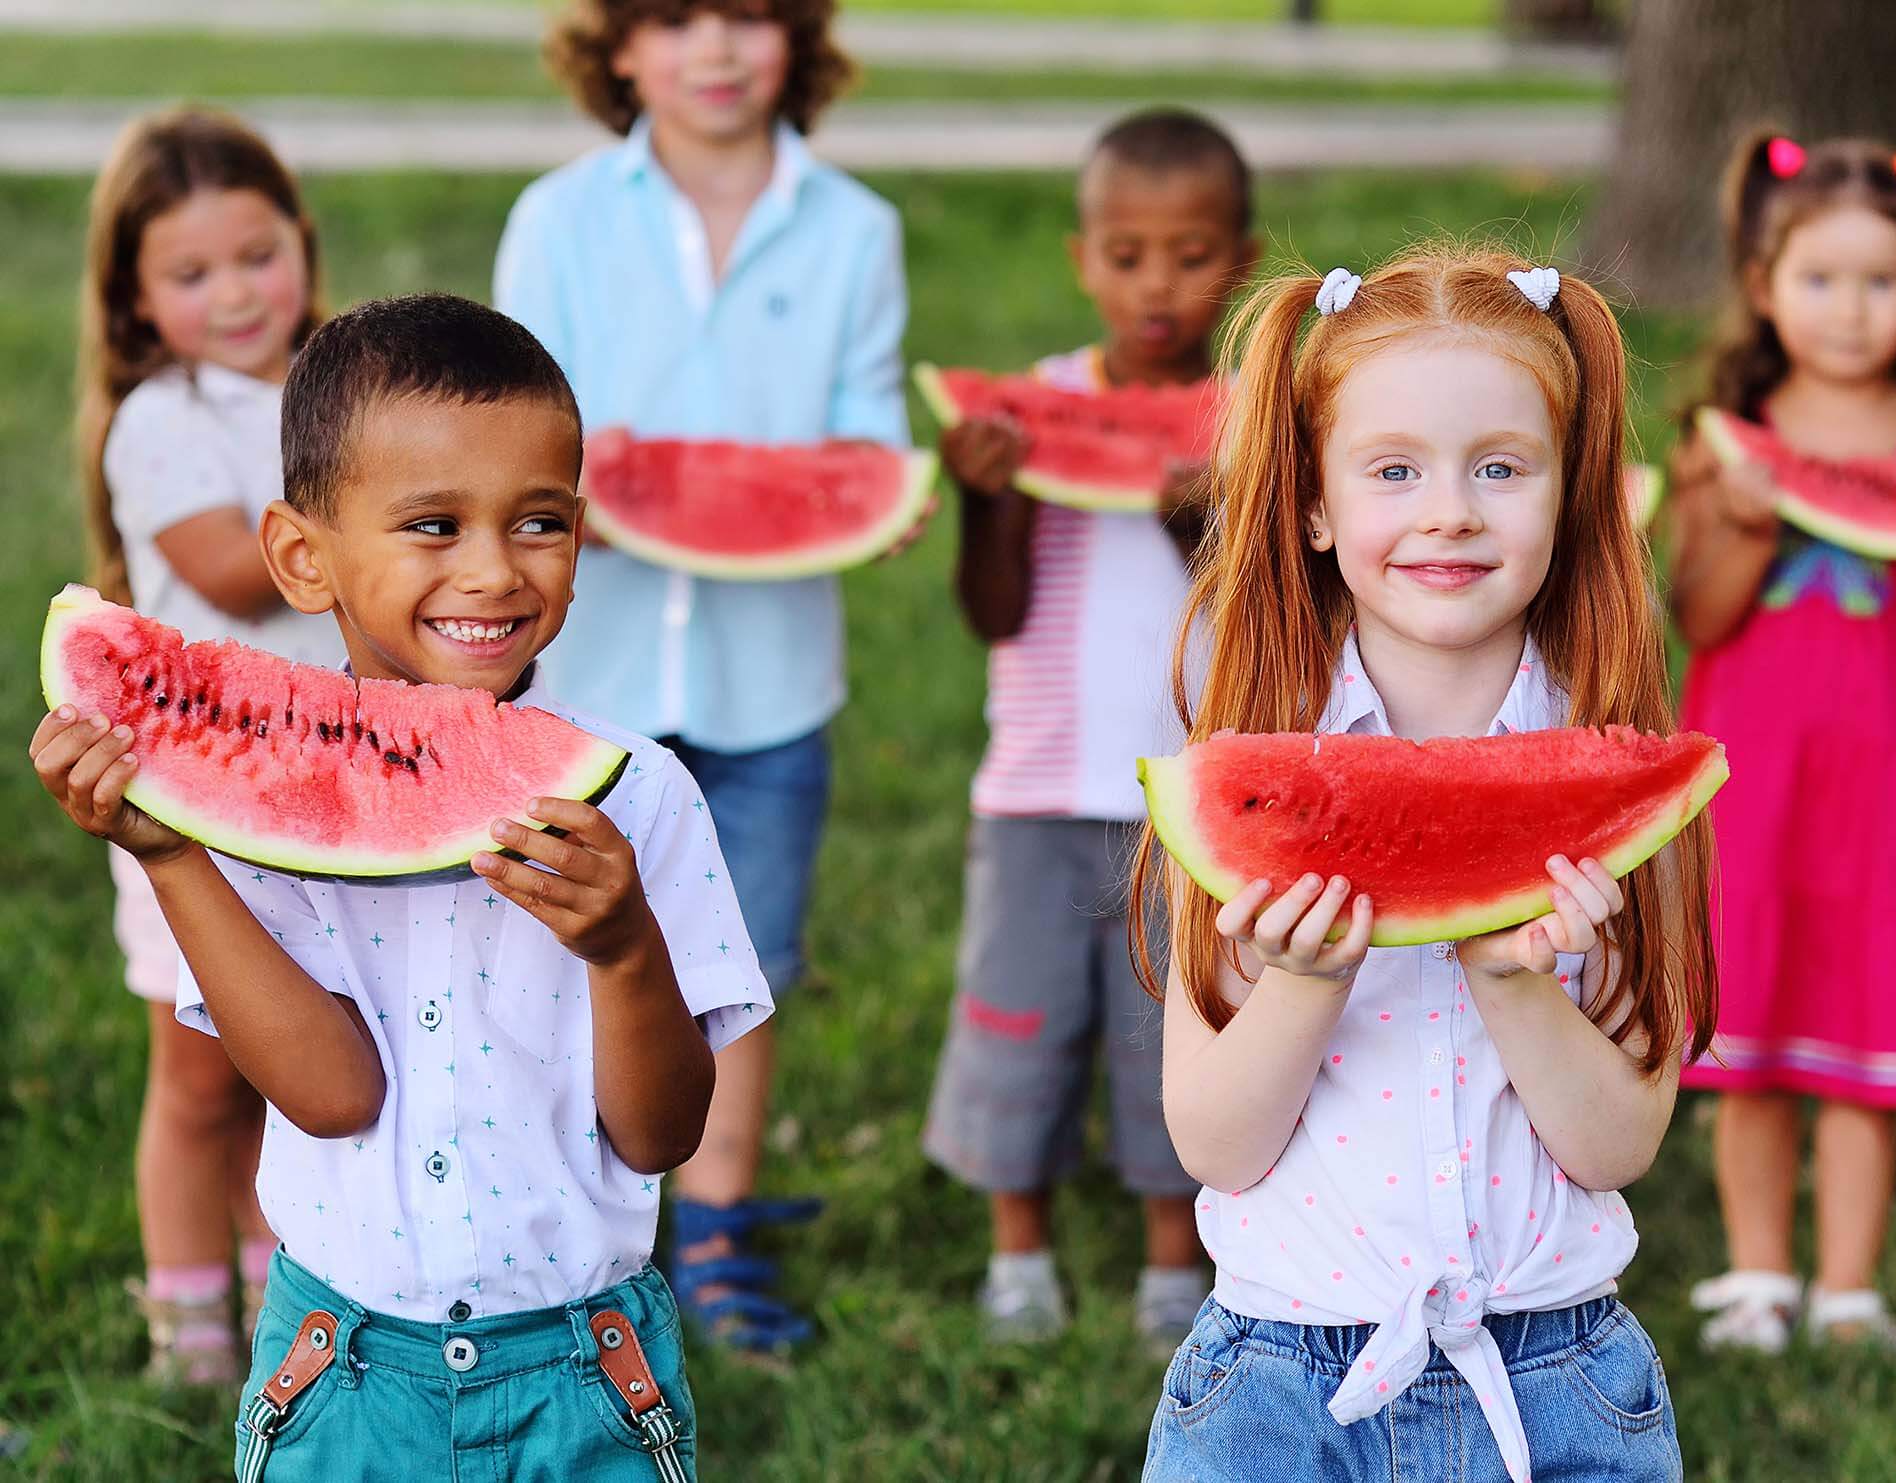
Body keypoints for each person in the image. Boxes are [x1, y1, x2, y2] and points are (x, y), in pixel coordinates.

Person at [32, 293, 771, 1480]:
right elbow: (328, 1094)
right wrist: (171, 851)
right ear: (301, 557)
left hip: (587, 1368)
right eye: (433, 525)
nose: (491, 569)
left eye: (538, 522)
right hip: (342, 1368)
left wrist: (627, 949)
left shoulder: (642, 798)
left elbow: (660, 1132)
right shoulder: (254, 805)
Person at [1134, 245, 1717, 1482]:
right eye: (1392, 469)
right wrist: (1300, 978)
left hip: (1557, 1378)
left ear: (1570, 495)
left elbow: (1616, 1147)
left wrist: (1513, 984)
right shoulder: (1241, 771)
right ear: (1312, 504)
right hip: (1277, 1387)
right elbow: (1214, 1143)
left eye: (1498, 469)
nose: (1447, 509)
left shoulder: (1619, 797)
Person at [495, 0, 906, 1351]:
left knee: (755, 953)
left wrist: (853, 491)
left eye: (748, 16)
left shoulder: (856, 228)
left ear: (798, 39)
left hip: (771, 680)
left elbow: (868, 437)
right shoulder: (556, 218)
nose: (715, 48)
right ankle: (565, 1201)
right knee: (559, 947)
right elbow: (513, 427)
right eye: (674, 19)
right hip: (582, 673)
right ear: (617, 49)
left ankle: (717, 1219)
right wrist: (559, 490)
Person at [922, 109, 1258, 1353]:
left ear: (1242, 259)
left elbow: (1261, 606)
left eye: (1187, 254)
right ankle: (1019, 1248)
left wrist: (1190, 512)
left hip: (1198, 795)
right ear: (1082, 259)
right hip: (1035, 789)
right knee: (1017, 1019)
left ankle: (1176, 1261)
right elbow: (991, 611)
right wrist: (982, 498)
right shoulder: (1039, 406)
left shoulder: (1254, 423)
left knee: (1169, 1019)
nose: (1154, 284)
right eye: (1126, 256)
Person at [1672, 133, 1896, 1353]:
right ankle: (1757, 1279)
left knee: (1874, 1040)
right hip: (1754, 786)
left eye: (1880, 282)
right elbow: (1696, 611)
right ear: (1762, 284)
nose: (1850, 311)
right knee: (1747, 1045)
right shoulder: (1725, 435)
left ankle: (1850, 1289)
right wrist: (1743, 528)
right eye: (1819, 279)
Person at [75, 105, 347, 1384]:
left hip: (325, 791)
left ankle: (274, 1294)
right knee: (196, 1078)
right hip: (185, 801)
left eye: (258, 255)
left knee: (294, 1058)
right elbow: (237, 575)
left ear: (301, 239)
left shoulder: (341, 390)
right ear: (134, 301)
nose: (236, 294)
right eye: (190, 274)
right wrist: (382, 520)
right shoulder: (159, 417)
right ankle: (185, 1343)